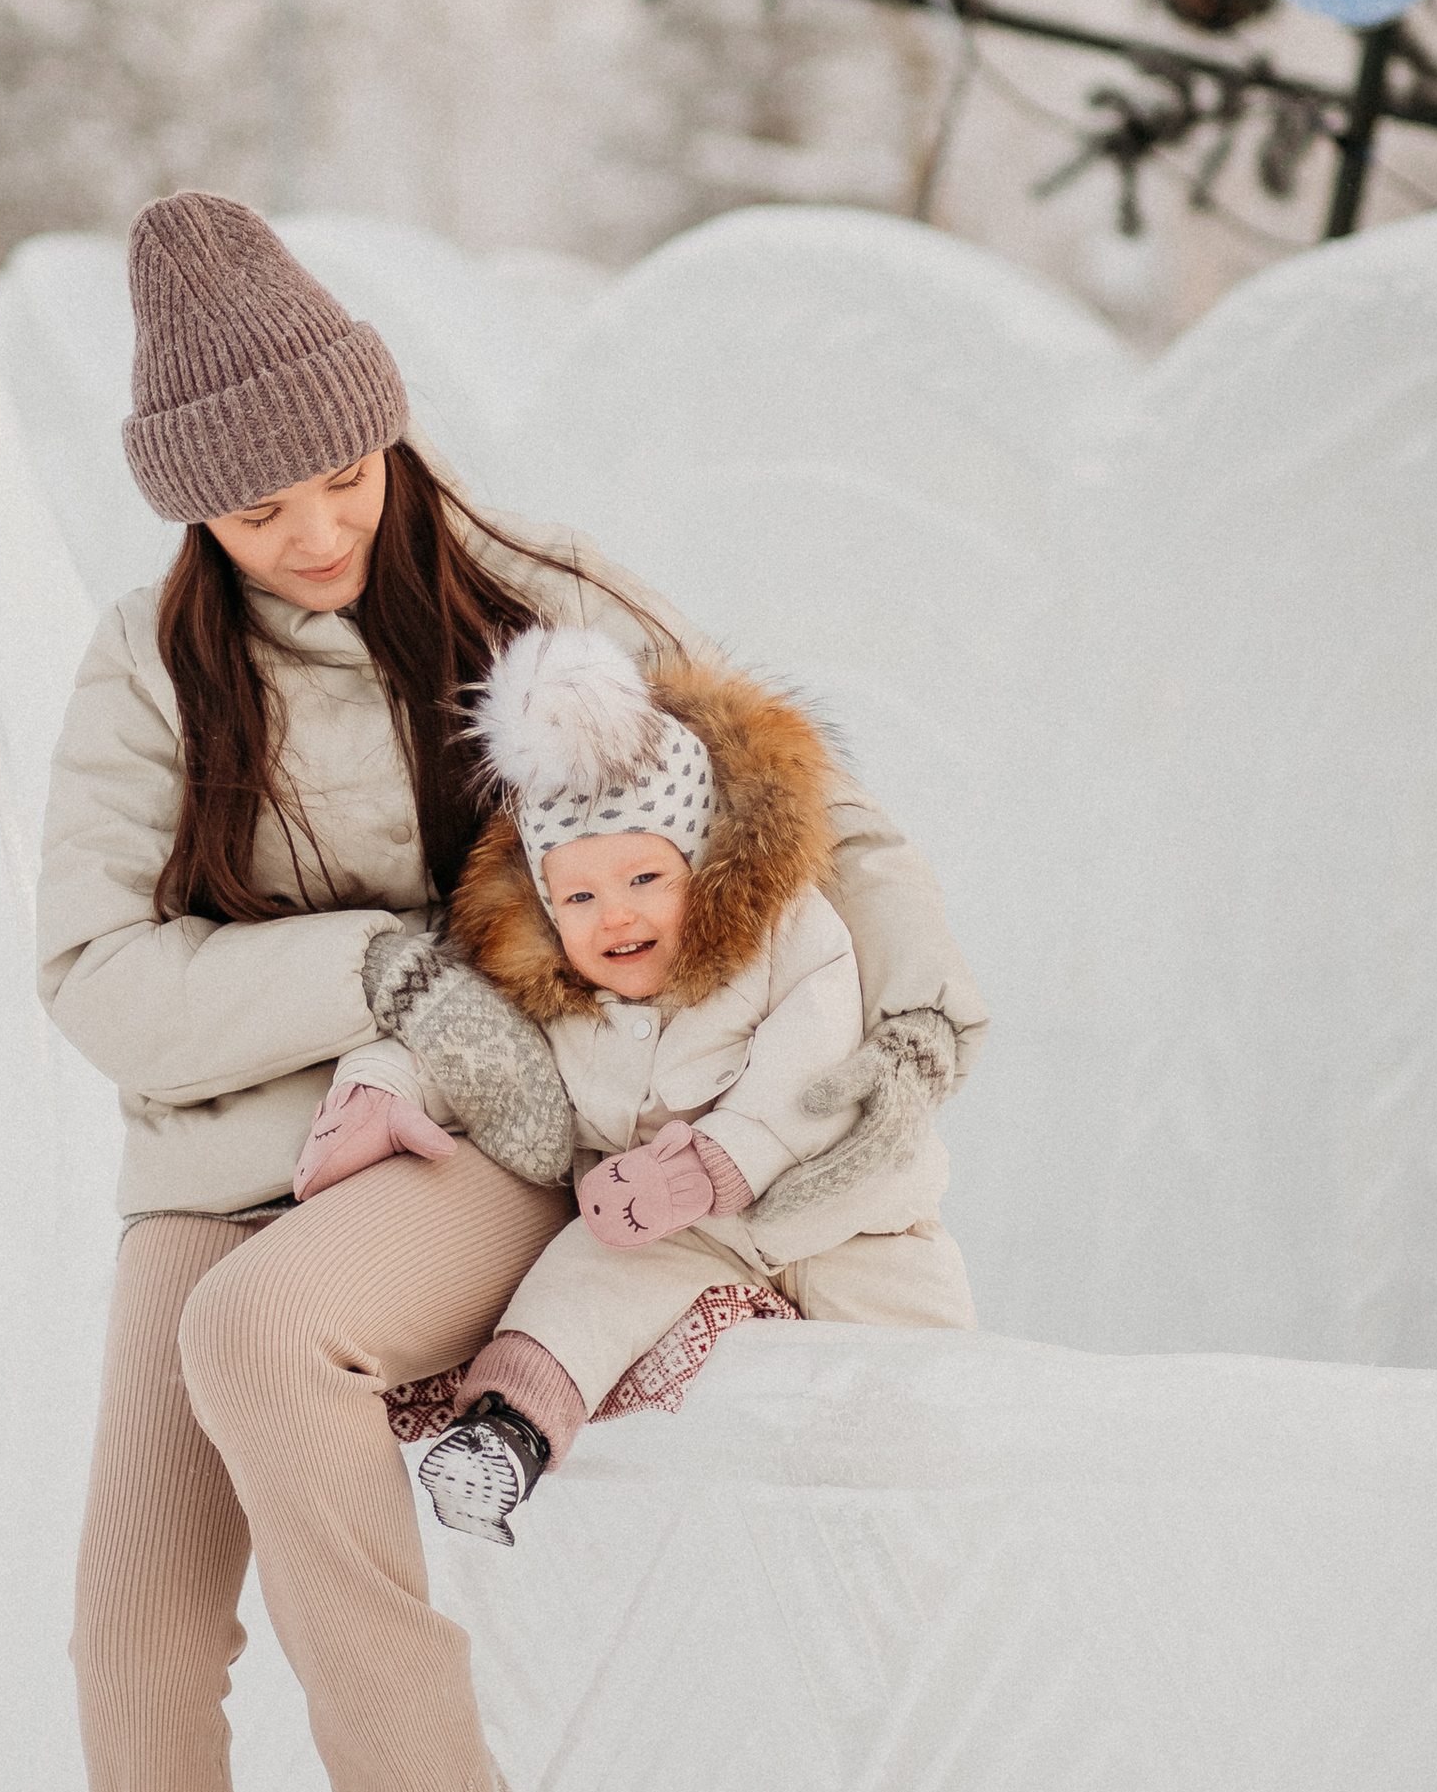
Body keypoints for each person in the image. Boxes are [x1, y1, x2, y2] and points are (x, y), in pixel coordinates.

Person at [0, 193, 986, 1792]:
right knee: (131, 1633)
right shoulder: (146, 668)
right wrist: (373, 970)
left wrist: (903, 1022)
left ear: (387, 427)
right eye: (255, 508)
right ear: (190, 513)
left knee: (275, 1334)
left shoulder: (534, 603)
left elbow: (805, 809)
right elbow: (93, 976)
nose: (313, 529)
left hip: (479, 1142)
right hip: (223, 1156)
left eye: (339, 475)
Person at [305, 623, 977, 1549]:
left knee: (930, 1382)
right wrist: (381, 1084)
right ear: (545, 906)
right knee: (577, 1279)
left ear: (700, 868)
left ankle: (958, 1506)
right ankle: (507, 1433)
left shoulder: (786, 936)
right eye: (577, 898)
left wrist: (717, 1162)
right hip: (672, 1229)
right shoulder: (553, 990)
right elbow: (463, 1045)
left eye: (645, 878)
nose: (613, 913)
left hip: (848, 1212)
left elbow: (812, 1066)